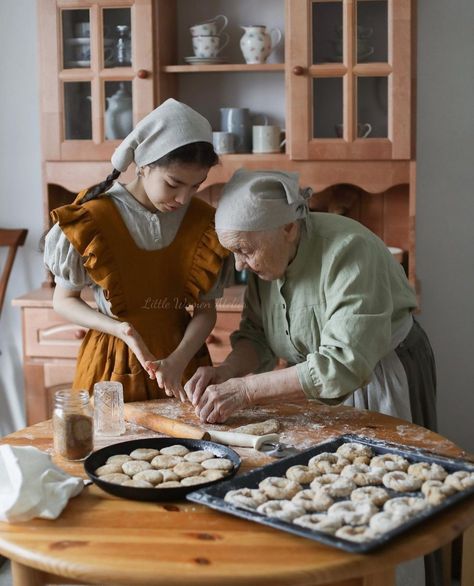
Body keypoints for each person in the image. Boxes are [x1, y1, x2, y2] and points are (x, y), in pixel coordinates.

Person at [185, 169, 437, 430]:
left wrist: (246, 390)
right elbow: (256, 336)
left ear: (288, 228)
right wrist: (226, 371)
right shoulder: (268, 261)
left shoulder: (351, 251)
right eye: (232, 252)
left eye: (244, 250)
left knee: (383, 466)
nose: (239, 265)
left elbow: (342, 365)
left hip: (380, 375)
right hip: (316, 383)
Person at [44, 99, 230, 403]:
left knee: (192, 448)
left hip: (183, 363)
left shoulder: (204, 223)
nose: (183, 198)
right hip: (110, 365)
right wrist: (121, 329)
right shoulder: (92, 217)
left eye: (195, 186)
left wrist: (178, 360)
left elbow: (206, 312)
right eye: (173, 184)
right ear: (144, 166)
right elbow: (63, 301)